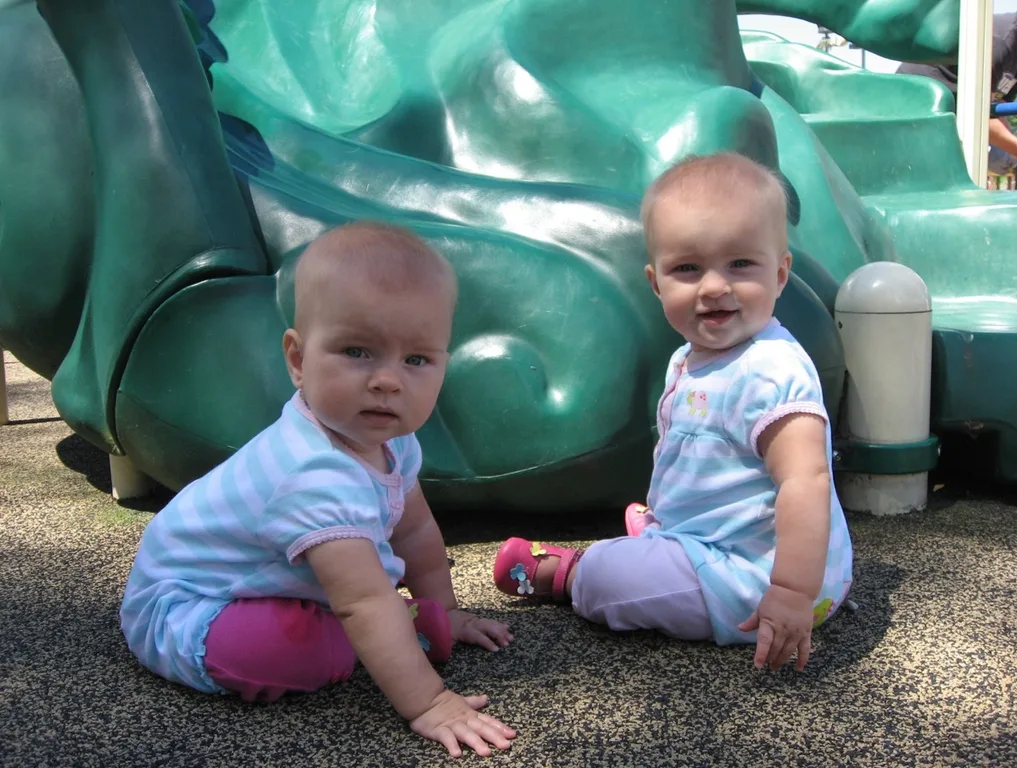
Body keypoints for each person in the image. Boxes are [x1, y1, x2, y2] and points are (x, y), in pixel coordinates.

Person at [120, 222, 516, 758]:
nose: (388, 380)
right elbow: (363, 602)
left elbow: (415, 528)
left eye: (417, 359)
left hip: (276, 586)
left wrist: (443, 607)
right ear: (298, 360)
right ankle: (396, 640)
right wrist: (430, 702)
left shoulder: (392, 440)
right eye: (357, 351)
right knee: (302, 649)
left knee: (360, 616)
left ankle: (410, 630)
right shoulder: (312, 474)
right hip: (190, 611)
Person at [492, 153, 854, 671]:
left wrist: (792, 592)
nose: (712, 286)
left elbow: (806, 482)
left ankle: (567, 572)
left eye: (740, 264)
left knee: (609, 581)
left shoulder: (770, 370)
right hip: (717, 540)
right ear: (656, 282)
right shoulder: (689, 358)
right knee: (661, 530)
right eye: (687, 268)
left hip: (756, 576)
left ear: (780, 273)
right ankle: (665, 535)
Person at [897, 11, 1017, 175]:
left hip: (960, 105)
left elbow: (998, 106)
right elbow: (977, 114)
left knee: (1003, 160)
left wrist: (1016, 151)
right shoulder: (1000, 42)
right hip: (919, 99)